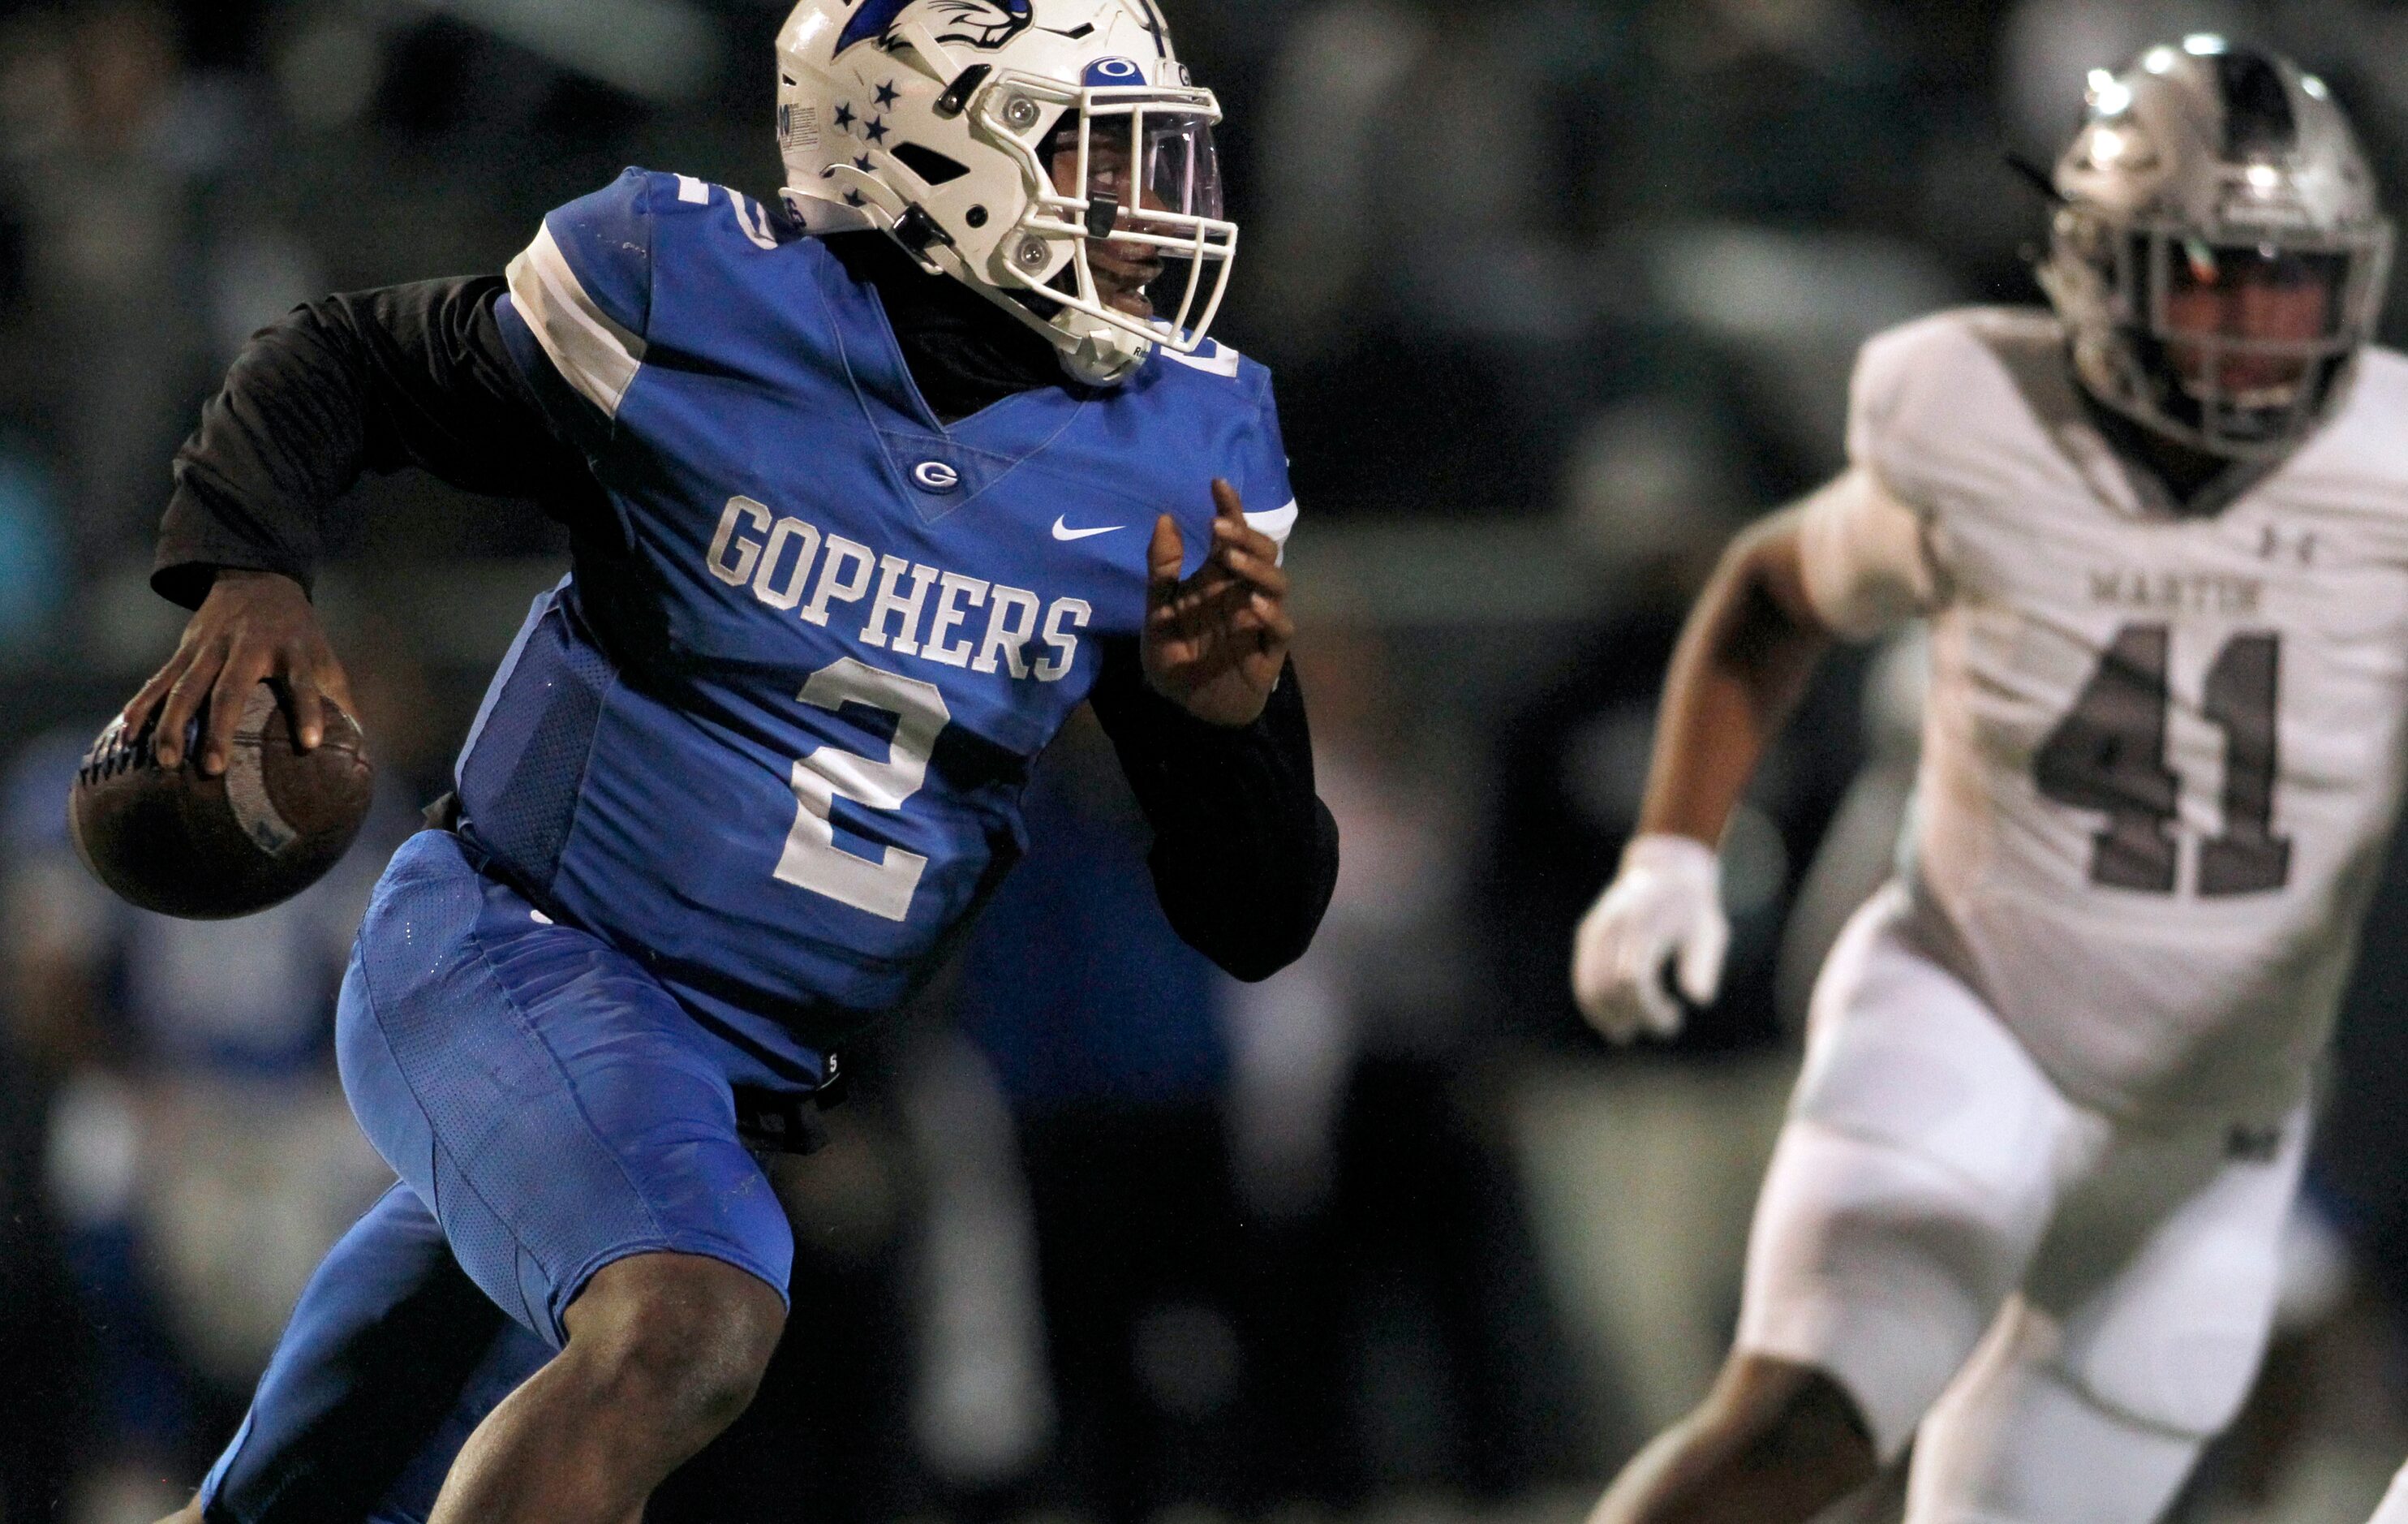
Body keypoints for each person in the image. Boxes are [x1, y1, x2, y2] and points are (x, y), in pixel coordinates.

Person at [124, 2, 1339, 1520]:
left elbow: (1258, 914)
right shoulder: (698, 297)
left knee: (294, 1502)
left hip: (716, 1079)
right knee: (688, 1324)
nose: (1150, 214)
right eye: (1094, 155)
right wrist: (249, 571)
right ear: (927, 144)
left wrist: (1229, 737)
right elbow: (344, 363)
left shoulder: (1174, 447)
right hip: (523, 954)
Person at [1568, 37, 2403, 1524]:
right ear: (2101, 267)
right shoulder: (1982, 419)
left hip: (2216, 1107)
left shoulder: (2388, 465)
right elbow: (1774, 587)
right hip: (1973, 1014)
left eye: (2297, 289)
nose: (2259, 339)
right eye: (2216, 281)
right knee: (1800, 1422)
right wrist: (1672, 853)